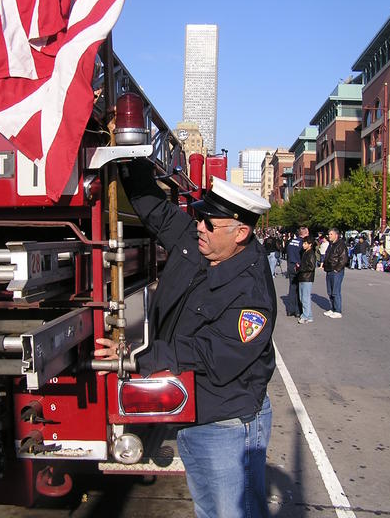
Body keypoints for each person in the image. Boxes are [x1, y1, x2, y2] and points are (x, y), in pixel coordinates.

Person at [95, 159, 277, 518]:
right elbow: (155, 210)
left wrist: (135, 355)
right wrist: (130, 159)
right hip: (194, 414)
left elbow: (212, 354)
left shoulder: (251, 292)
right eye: (199, 217)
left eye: (209, 222)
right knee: (209, 511)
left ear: (240, 233)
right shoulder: (202, 241)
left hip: (227, 423)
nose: (199, 227)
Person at [323, 227, 348, 319]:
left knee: (335, 291)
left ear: (336, 235)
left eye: (331, 234)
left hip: (336, 271)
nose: (329, 236)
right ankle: (332, 308)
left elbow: (343, 258)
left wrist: (337, 269)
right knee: (329, 291)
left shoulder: (341, 245)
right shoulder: (331, 244)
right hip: (329, 270)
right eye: (329, 234)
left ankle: (338, 310)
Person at [286, 226, 309, 317]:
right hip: (298, 265)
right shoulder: (302, 243)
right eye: (307, 233)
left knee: (292, 288)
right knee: (299, 289)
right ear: (304, 234)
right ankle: (297, 310)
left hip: (291, 264)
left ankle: (290, 310)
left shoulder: (291, 242)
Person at [296, 235, 316, 324]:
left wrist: (300, 268)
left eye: (305, 243)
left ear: (310, 244)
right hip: (303, 277)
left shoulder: (311, 253)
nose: (303, 245)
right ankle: (309, 316)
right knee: (302, 297)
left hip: (307, 278)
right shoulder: (305, 252)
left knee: (305, 298)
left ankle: (305, 316)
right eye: (303, 243)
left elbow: (311, 267)